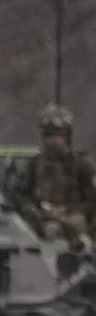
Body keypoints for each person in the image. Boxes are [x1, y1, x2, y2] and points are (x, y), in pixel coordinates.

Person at [16, 103, 96, 244]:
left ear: (66, 137)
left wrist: (67, 210)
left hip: (73, 225)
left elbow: (92, 201)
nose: (53, 141)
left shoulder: (82, 165)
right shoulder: (34, 165)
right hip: (40, 220)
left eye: (58, 137)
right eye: (49, 136)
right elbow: (20, 194)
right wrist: (30, 207)